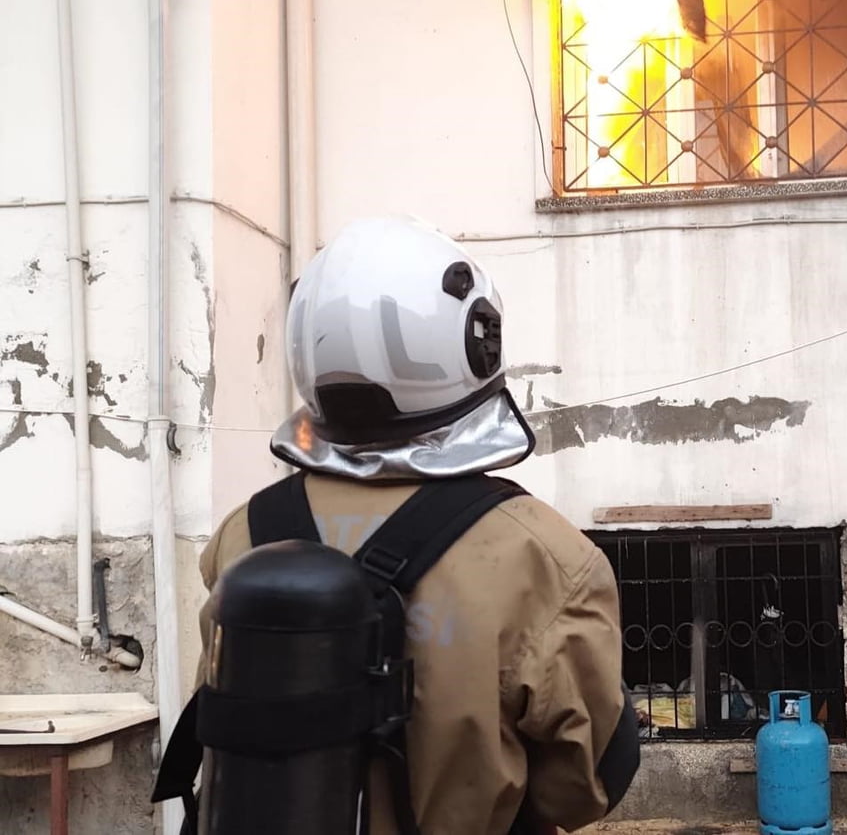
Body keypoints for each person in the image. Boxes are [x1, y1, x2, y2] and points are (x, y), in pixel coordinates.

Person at [192, 216, 638, 834]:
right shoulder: (546, 558)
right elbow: (581, 791)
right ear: (477, 344)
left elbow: (226, 724)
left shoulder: (243, 536)